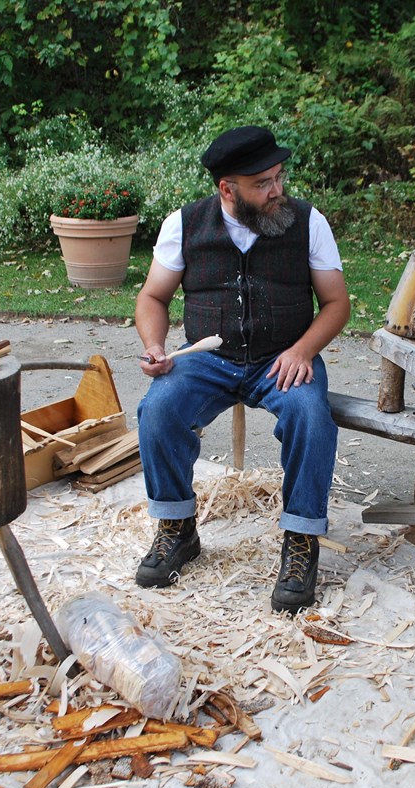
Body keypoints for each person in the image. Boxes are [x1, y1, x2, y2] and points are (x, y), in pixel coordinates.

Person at [133, 126, 351, 613]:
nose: (277, 190)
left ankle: (300, 541)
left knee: (311, 417)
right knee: (159, 409)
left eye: (279, 177)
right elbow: (152, 296)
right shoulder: (184, 225)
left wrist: (302, 351)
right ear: (227, 189)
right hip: (207, 357)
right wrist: (155, 345)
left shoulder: (308, 222)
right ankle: (177, 527)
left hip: (283, 357)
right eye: (263, 183)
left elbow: (337, 304)